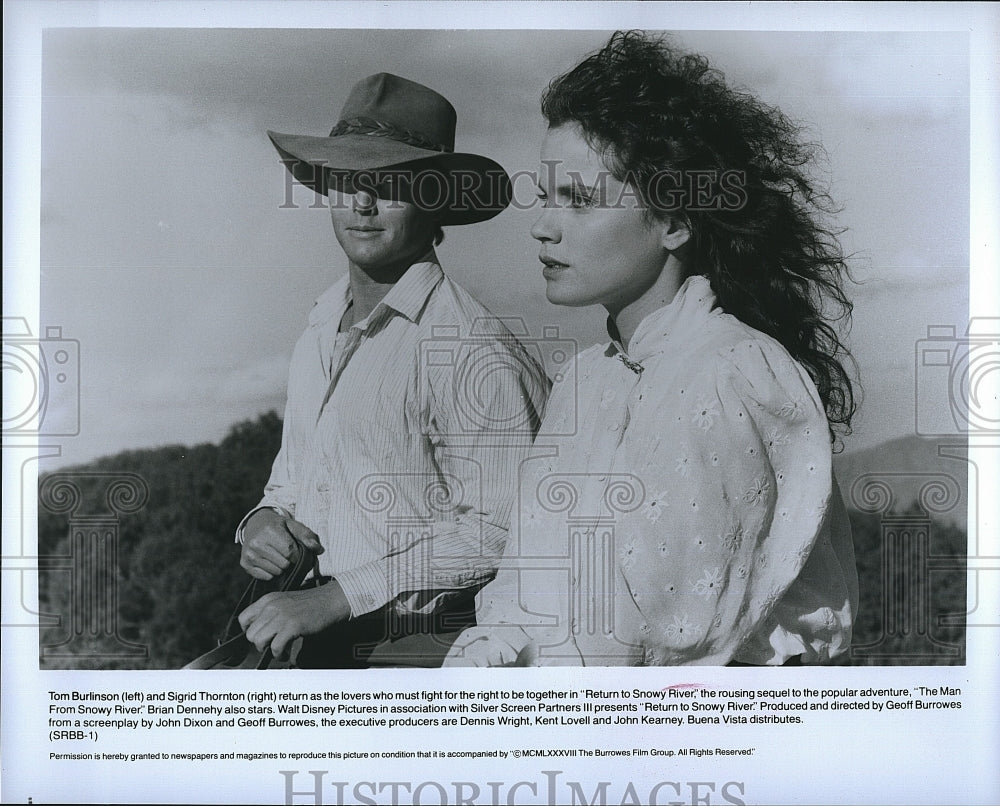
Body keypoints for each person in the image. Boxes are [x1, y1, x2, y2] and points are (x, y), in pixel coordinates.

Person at [446, 31, 860, 667]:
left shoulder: (734, 373)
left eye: (579, 200)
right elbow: (528, 589)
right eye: (545, 195)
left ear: (675, 221)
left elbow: (686, 638)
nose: (542, 225)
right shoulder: (585, 380)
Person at [236, 73, 549, 668]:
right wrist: (260, 526)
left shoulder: (469, 346)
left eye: (391, 185)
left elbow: (502, 529)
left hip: (423, 654)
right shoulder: (319, 328)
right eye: (348, 181)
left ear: (438, 202)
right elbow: (293, 481)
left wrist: (338, 597)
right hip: (310, 641)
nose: (362, 205)